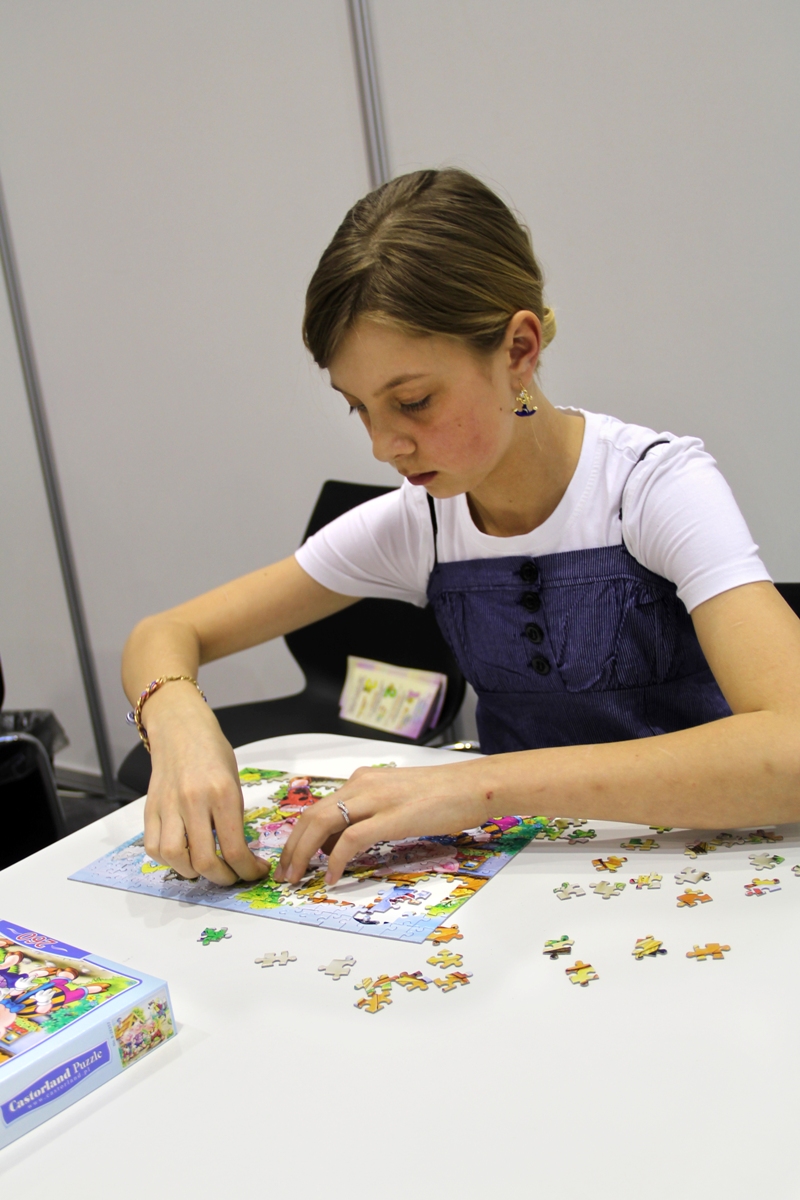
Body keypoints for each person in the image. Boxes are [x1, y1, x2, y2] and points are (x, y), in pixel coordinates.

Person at [122, 168, 800, 890]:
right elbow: (163, 634)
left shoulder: (653, 487)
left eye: (413, 401)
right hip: (525, 883)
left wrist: (477, 786)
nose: (383, 445)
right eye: (358, 406)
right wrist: (179, 722)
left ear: (518, 350)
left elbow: (790, 747)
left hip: (708, 871)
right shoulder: (424, 522)